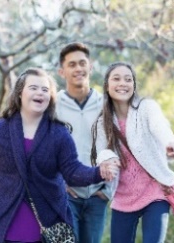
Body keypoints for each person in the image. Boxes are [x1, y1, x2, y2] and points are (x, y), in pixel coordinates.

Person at [0, 67, 119, 243]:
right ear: (20, 93)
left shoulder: (59, 133)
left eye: (45, 90)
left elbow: (72, 171)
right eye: (34, 88)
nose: (40, 93)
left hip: (48, 218)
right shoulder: (1, 129)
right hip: (9, 215)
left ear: (50, 98)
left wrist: (99, 172)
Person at [91, 61, 174, 243]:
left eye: (128, 79)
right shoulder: (103, 121)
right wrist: (109, 161)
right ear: (107, 86)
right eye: (116, 79)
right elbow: (102, 151)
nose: (122, 83)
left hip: (155, 191)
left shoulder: (146, 107)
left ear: (134, 85)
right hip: (123, 197)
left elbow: (159, 125)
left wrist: (169, 142)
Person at [56, 42, 109, 243]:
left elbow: (119, 147)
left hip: (98, 195)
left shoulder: (106, 104)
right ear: (62, 71)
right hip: (65, 196)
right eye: (71, 65)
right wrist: (58, 184)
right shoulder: (53, 105)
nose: (78, 68)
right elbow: (42, 149)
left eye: (82, 63)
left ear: (91, 66)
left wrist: (107, 190)